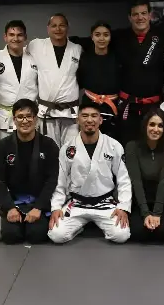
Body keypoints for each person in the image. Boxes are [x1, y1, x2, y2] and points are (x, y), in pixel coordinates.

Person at [48, 102, 132, 244]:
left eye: (94, 116)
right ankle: (79, 226)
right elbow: (60, 181)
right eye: (85, 116)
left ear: (100, 120)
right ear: (77, 120)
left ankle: (89, 223)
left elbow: (124, 179)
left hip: (105, 203)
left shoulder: (113, 146)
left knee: (121, 235)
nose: (89, 120)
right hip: (76, 203)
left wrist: (123, 207)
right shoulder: (67, 148)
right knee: (56, 235)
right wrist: (56, 207)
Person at [0, 99, 59, 244]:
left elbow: (52, 179)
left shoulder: (49, 145)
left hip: (38, 201)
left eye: (29, 116)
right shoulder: (3, 146)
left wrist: (38, 207)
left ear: (36, 119)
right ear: (14, 119)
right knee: (11, 236)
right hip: (14, 201)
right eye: (20, 117)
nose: (25, 121)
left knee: (36, 235)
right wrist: (9, 208)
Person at [113, 0, 164, 146]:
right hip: (128, 104)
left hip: (153, 105)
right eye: (135, 14)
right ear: (129, 17)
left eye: (143, 13)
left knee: (153, 145)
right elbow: (92, 40)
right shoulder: (119, 37)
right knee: (127, 145)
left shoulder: (163, 36)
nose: (140, 17)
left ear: (150, 15)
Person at [26, 13, 82, 147]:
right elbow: (17, 53)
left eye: (62, 25)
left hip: (71, 113)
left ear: (67, 28)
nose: (58, 29)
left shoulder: (77, 49)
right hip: (47, 111)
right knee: (48, 151)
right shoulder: (36, 45)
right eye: (54, 26)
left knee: (72, 152)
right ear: (48, 28)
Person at [125, 109, 164, 243]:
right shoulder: (132, 147)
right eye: (152, 124)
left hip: (163, 201)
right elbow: (136, 181)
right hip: (140, 200)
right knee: (137, 232)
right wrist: (146, 213)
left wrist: (157, 213)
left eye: (160, 125)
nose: (156, 129)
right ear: (145, 126)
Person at [0, 20, 39, 139]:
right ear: (5, 37)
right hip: (4, 117)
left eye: (19, 35)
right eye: (11, 35)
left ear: (25, 37)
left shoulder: (34, 57)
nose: (15, 38)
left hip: (29, 115)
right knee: (7, 153)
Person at [77, 21, 121, 139]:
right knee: (88, 139)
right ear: (92, 37)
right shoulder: (85, 58)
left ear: (110, 37)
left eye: (106, 35)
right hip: (89, 104)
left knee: (111, 142)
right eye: (97, 35)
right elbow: (79, 81)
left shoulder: (118, 59)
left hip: (111, 106)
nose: (102, 38)